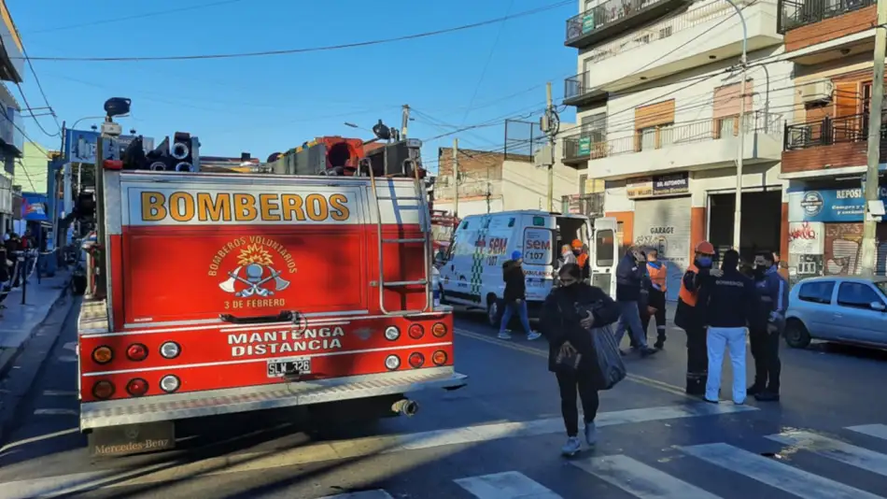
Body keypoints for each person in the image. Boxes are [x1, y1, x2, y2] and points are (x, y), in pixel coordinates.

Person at [540, 263, 621, 456]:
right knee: (567, 397)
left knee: (589, 394)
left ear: (579, 278)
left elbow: (614, 309)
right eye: (562, 280)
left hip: (588, 351)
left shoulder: (593, 293)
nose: (565, 284)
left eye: (570, 280)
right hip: (566, 352)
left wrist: (596, 317)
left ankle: (590, 421)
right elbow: (545, 321)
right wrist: (560, 339)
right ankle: (572, 437)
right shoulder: (555, 297)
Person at [699, 249, 757, 404]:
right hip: (737, 326)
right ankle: (739, 396)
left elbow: (702, 297)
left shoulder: (715, 278)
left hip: (716, 325)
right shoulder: (744, 280)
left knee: (715, 360)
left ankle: (711, 394)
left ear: (724, 260)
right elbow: (753, 302)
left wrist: (704, 319)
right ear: (737, 262)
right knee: (738, 361)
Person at [674, 240, 719, 396]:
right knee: (696, 351)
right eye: (704, 255)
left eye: (709, 256)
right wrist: (707, 274)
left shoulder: (706, 272)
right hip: (691, 317)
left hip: (702, 318)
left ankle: (704, 383)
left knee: (704, 351)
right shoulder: (692, 271)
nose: (707, 258)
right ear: (697, 255)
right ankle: (694, 385)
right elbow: (691, 284)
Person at [749, 251, 787, 402]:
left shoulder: (777, 280)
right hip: (756, 323)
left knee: (770, 357)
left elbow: (780, 305)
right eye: (756, 261)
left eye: (761, 261)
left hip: (769, 326)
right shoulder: (756, 278)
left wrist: (772, 323)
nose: (757, 265)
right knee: (758, 354)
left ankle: (772, 389)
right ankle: (759, 384)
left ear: (769, 262)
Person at [613, 247, 658, 357]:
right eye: (638, 253)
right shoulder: (627, 263)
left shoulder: (627, 261)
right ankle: (643, 346)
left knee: (623, 323)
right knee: (635, 322)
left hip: (626, 297)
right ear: (633, 252)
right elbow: (638, 275)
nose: (640, 255)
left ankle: (613, 346)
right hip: (627, 297)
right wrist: (642, 264)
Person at [499, 251, 542, 341]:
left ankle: (502, 331)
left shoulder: (509, 269)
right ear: (517, 259)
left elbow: (509, 283)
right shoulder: (517, 271)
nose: (522, 259)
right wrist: (518, 297)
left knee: (507, 313)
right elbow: (517, 285)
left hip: (509, 295)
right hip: (517, 296)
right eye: (520, 257)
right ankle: (529, 333)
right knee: (523, 315)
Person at [643, 248, 668, 350]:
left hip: (650, 293)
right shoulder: (663, 267)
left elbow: (644, 280)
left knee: (645, 317)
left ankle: (642, 339)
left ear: (649, 256)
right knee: (660, 317)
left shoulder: (647, 267)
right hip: (661, 293)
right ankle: (661, 337)